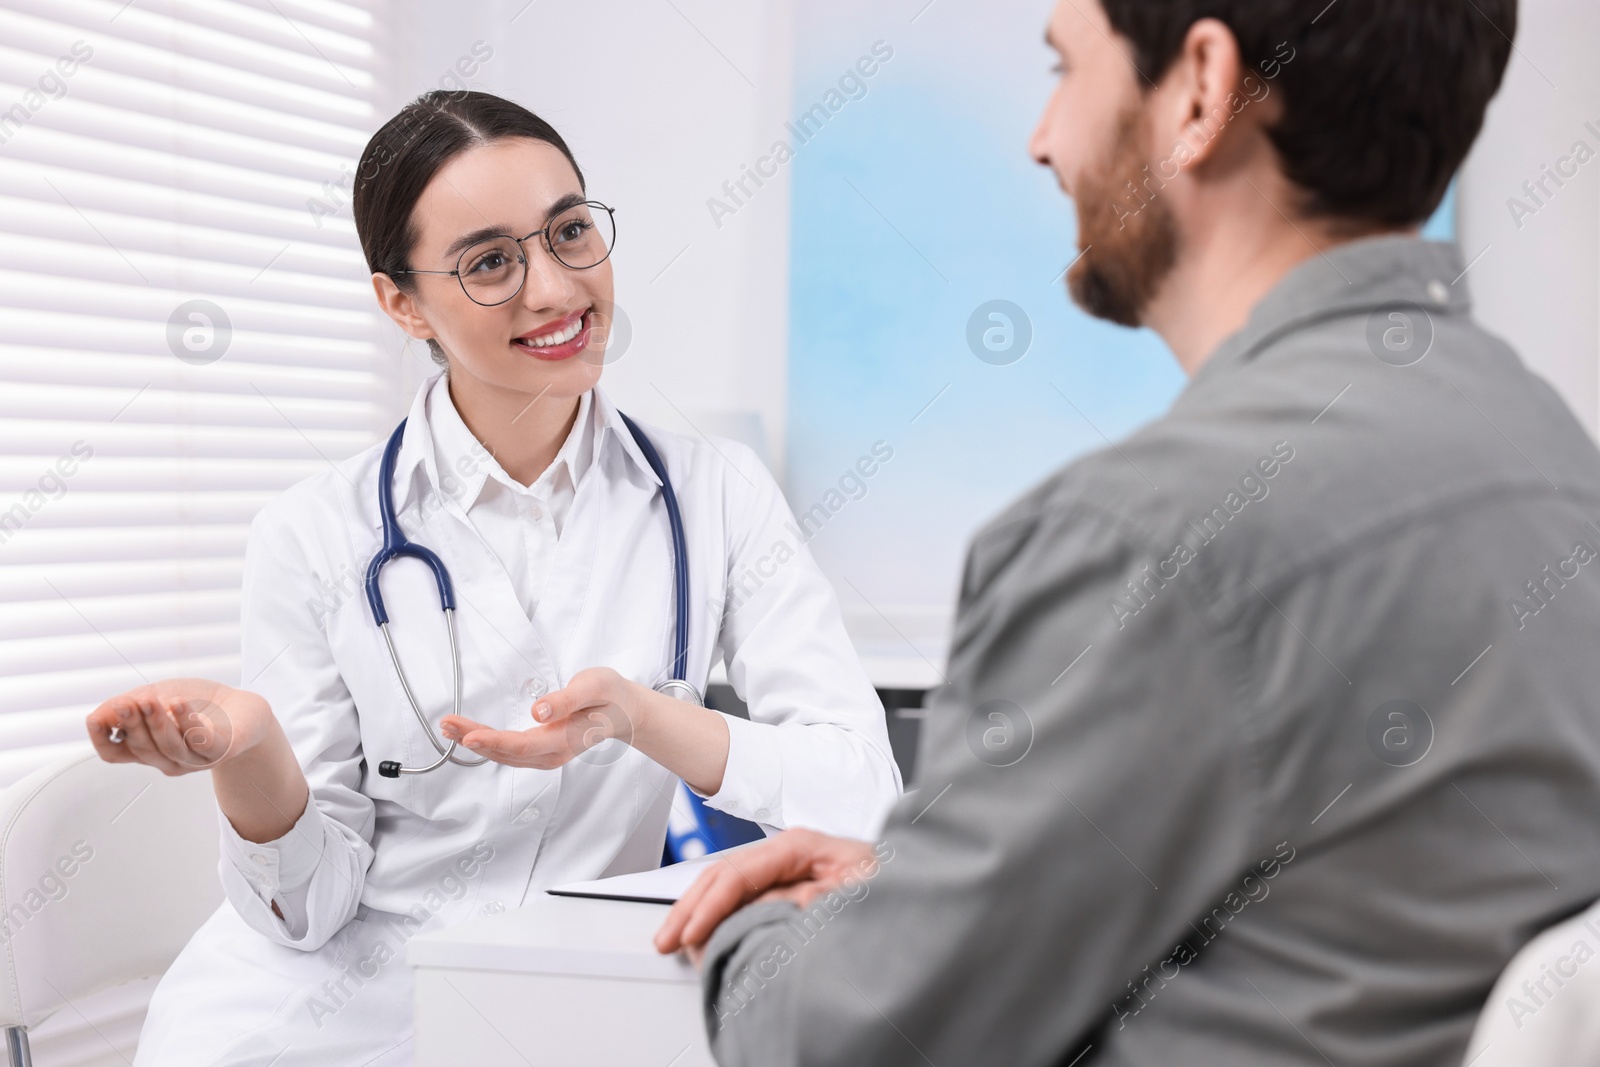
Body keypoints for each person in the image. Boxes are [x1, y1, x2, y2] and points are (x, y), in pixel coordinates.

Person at [654, 1, 1600, 1064]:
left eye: (1064, 68)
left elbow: (847, 1046)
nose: (1042, 136)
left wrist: (757, 920)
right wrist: (932, 898)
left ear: (1200, 89)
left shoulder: (1140, 537)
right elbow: (1345, 906)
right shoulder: (1551, 456)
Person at [83, 90, 902, 1066]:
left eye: (568, 232)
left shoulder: (716, 495)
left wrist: (644, 717)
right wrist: (252, 752)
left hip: (570, 1002)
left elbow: (862, 804)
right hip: (316, 1022)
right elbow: (305, 913)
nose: (555, 289)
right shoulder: (311, 534)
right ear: (400, 301)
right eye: (489, 261)